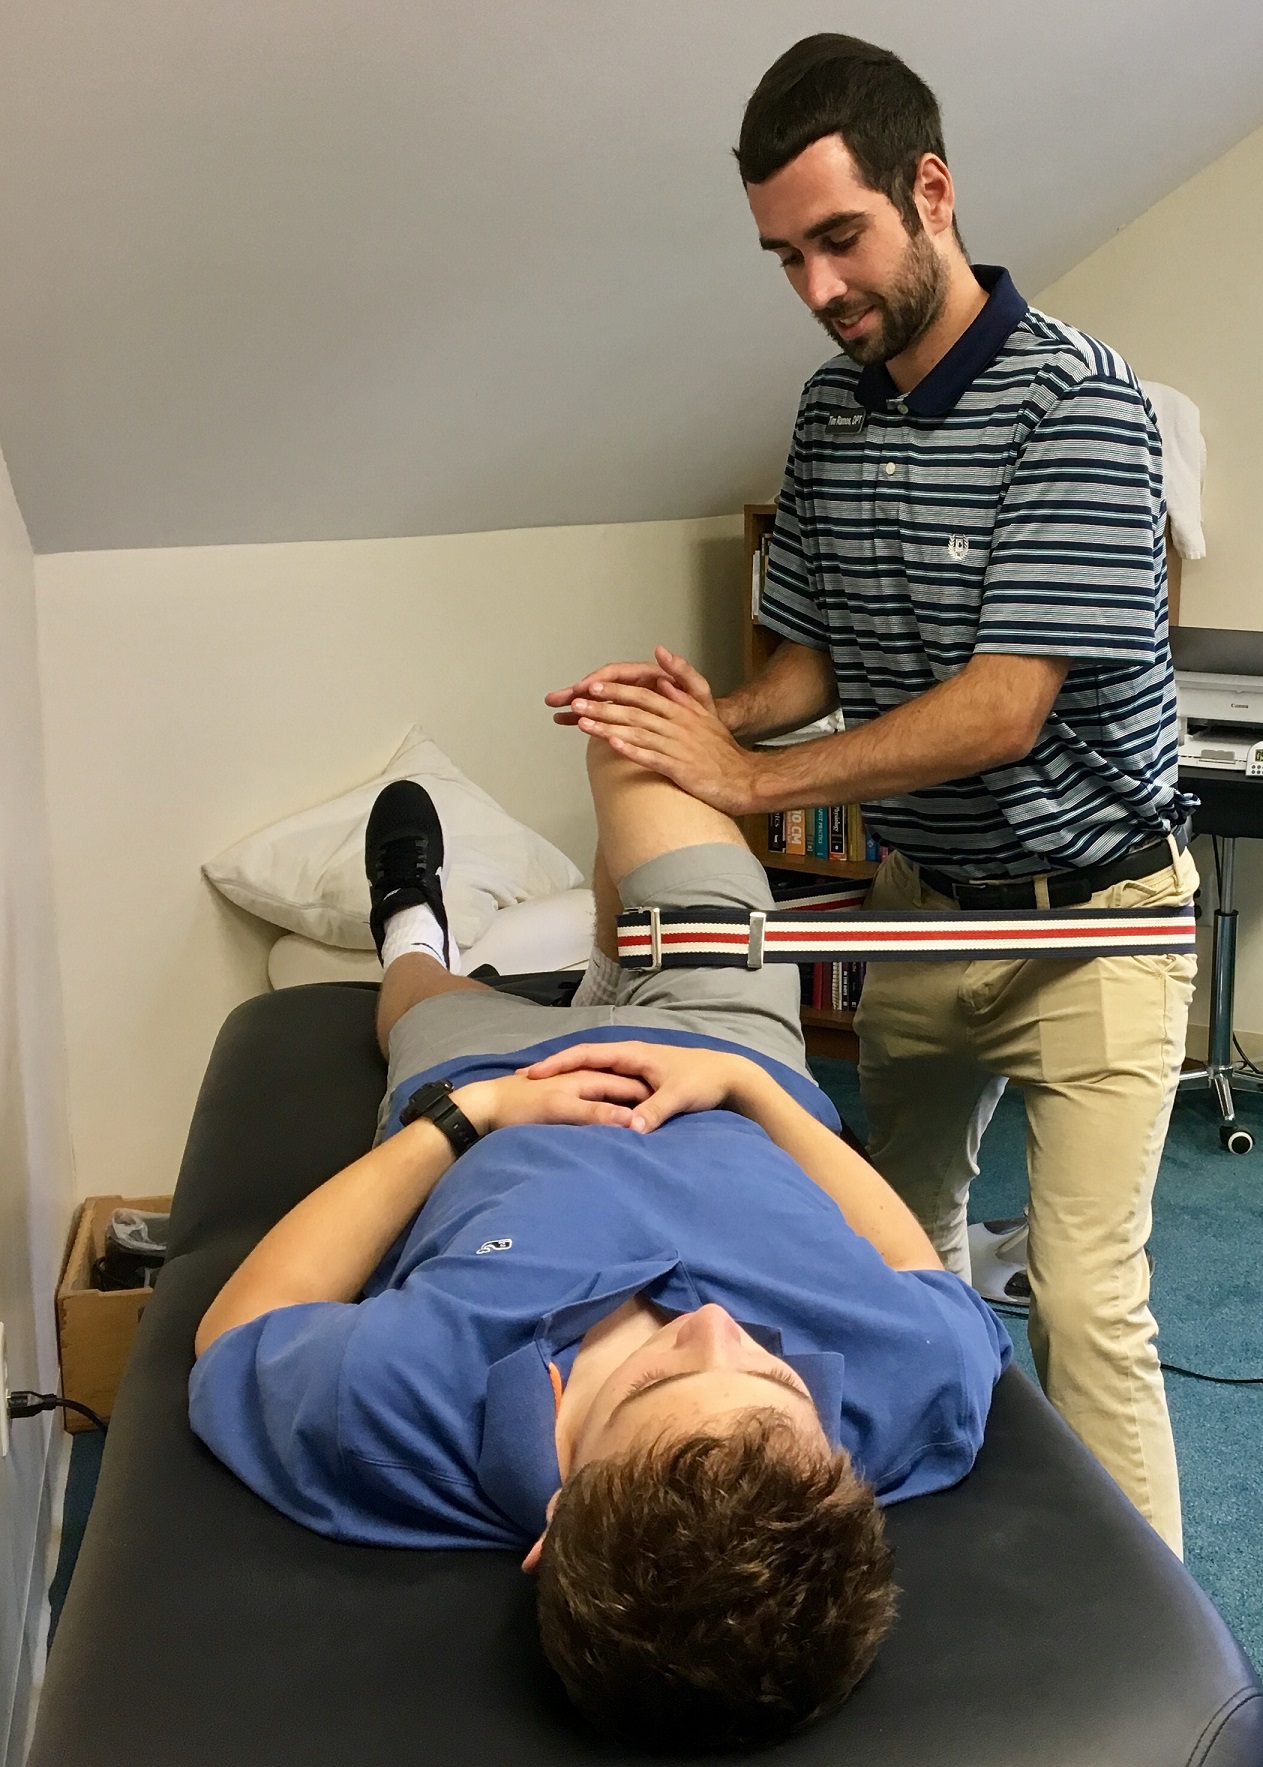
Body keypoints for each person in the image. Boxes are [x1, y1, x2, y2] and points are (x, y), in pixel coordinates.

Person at [546, 33, 1195, 1557]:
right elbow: (807, 662)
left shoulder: (1079, 407)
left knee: (1085, 1297)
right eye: (785, 256)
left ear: (930, 192)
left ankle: (1167, 1645)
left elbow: (999, 706)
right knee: (881, 1252)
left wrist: (751, 778)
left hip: (1092, 919)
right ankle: (928, 1547)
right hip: (922, 909)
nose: (817, 286)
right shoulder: (828, 412)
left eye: (838, 238)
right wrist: (693, 717)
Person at [190, 739, 1009, 1752]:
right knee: (635, 741)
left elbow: (239, 1326)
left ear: (553, 1525)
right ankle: (614, 968)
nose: (718, 1327)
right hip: (725, 1057)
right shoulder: (920, 1390)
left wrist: (472, 1115)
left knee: (417, 1000)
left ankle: (408, 920)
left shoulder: (401, 1409)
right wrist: (752, 1092)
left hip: (497, 1078)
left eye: (658, 1378)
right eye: (777, 1377)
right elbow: (913, 1261)